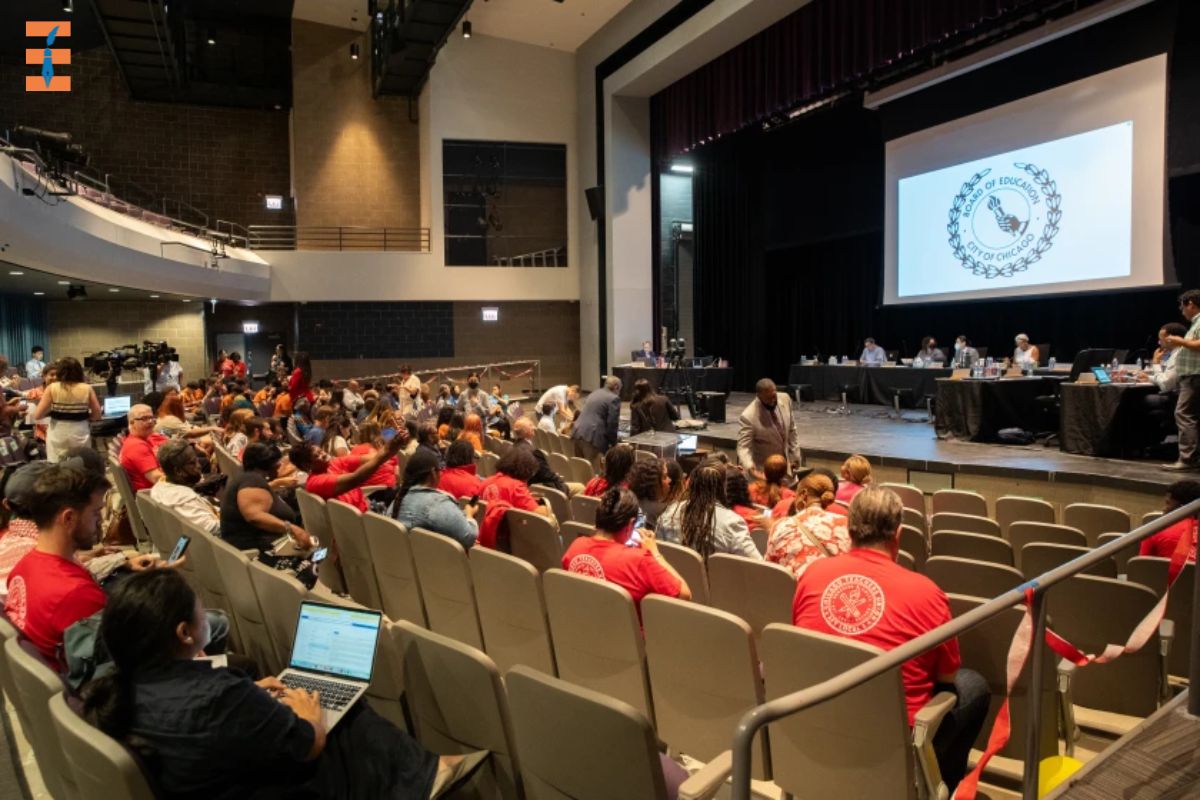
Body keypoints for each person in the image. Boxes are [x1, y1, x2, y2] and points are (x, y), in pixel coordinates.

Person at [81, 569, 485, 799]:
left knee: (324, 706)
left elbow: (209, 718)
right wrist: (310, 716)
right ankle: (425, 777)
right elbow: (308, 746)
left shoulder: (122, 684)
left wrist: (253, 696)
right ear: (185, 633)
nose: (207, 613)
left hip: (207, 782)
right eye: (199, 607)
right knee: (341, 716)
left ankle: (424, 773)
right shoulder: (219, 696)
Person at [791, 486, 989, 793]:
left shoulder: (812, 575)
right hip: (891, 741)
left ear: (848, 528)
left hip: (815, 722)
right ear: (898, 534)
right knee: (973, 685)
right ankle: (933, 786)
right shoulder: (926, 592)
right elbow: (947, 676)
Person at [3, 463, 179, 662]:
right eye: (95, 513)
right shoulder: (76, 595)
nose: (100, 521)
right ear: (68, 518)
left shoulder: (23, 567)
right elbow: (125, 662)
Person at [562, 487, 690, 612]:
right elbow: (684, 595)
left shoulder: (576, 546)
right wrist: (655, 553)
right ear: (630, 524)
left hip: (584, 626)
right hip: (630, 633)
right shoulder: (640, 560)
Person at [656, 463, 761, 560]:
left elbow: (658, 555)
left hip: (674, 577)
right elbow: (757, 565)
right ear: (723, 488)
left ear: (691, 485)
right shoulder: (732, 522)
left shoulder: (668, 513)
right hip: (718, 580)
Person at [288, 431, 408, 513]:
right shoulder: (315, 482)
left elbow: (373, 458)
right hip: (357, 523)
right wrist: (387, 449)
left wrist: (394, 446)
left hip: (368, 507)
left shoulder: (333, 463)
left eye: (321, 451)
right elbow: (356, 479)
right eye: (317, 455)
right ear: (307, 465)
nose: (324, 454)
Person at [766, 472, 851, 577]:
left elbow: (770, 569)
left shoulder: (781, 525)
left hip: (793, 590)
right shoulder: (845, 523)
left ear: (803, 495)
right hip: (832, 588)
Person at [391, 450, 479, 549]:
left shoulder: (396, 501)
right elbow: (469, 538)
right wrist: (469, 515)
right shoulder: (437, 503)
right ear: (433, 472)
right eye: (439, 469)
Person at [477, 447, 552, 550]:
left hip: (487, 541)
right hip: (511, 544)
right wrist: (546, 507)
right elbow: (541, 516)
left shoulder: (485, 482)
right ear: (527, 470)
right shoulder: (516, 487)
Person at [33, 356, 101, 462]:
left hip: (58, 433)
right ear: (79, 371)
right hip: (80, 432)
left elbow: (37, 415)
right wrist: (86, 417)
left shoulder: (52, 388)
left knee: (57, 467)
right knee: (81, 466)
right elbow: (97, 415)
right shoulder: (87, 388)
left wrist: (53, 412)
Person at [736, 378, 801, 479]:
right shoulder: (748, 416)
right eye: (768, 398)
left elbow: (792, 430)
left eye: (774, 396)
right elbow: (744, 447)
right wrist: (751, 469)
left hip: (788, 472)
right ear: (758, 396)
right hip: (764, 474)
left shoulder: (785, 398)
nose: (772, 401)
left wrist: (795, 456)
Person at [151, 439, 220, 534]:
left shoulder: (159, 486)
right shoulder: (185, 501)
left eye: (197, 460)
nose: (199, 466)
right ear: (178, 471)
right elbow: (214, 531)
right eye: (192, 463)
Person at [1165, 289, 1200, 471]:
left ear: (1191, 304)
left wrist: (1181, 342)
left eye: (1182, 306)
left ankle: (1187, 460)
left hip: (1195, 375)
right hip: (1191, 375)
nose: (1181, 310)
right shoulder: (1195, 324)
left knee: (1184, 415)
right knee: (1191, 416)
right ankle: (1192, 458)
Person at [511, 417, 573, 496]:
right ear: (527, 431)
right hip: (540, 488)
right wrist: (560, 480)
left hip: (526, 487)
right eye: (531, 425)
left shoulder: (512, 447)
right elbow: (546, 475)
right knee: (580, 487)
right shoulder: (534, 452)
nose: (534, 427)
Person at [1139, 479, 1200, 560]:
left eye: (1168, 503)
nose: (1164, 509)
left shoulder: (1153, 531)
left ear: (1182, 509)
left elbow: (1140, 567)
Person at [572, 377, 623, 463]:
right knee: (594, 471)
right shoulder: (614, 398)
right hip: (592, 438)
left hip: (577, 432)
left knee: (582, 468)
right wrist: (614, 444)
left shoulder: (594, 393)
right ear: (616, 387)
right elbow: (612, 424)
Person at [119, 404, 168, 491]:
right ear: (132, 422)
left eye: (151, 418)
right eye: (144, 419)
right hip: (151, 496)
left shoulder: (143, 439)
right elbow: (157, 479)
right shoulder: (137, 446)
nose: (150, 421)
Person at [628, 456, 670, 528]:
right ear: (654, 483)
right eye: (665, 477)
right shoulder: (664, 513)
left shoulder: (627, 506)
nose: (669, 480)